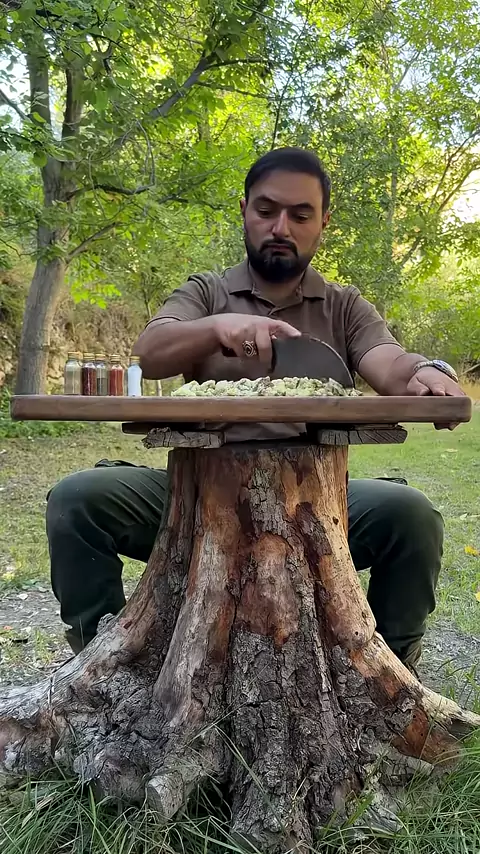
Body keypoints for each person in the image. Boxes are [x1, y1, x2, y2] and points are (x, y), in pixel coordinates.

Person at [47, 147, 464, 666]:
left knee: (412, 515)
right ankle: (102, 664)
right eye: (267, 210)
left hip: (318, 506)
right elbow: (151, 351)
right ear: (245, 210)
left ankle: (391, 672)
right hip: (195, 497)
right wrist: (218, 328)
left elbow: (390, 362)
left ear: (323, 222)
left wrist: (427, 371)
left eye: (301, 215)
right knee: (78, 498)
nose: (280, 227)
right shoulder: (206, 292)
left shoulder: (345, 306)